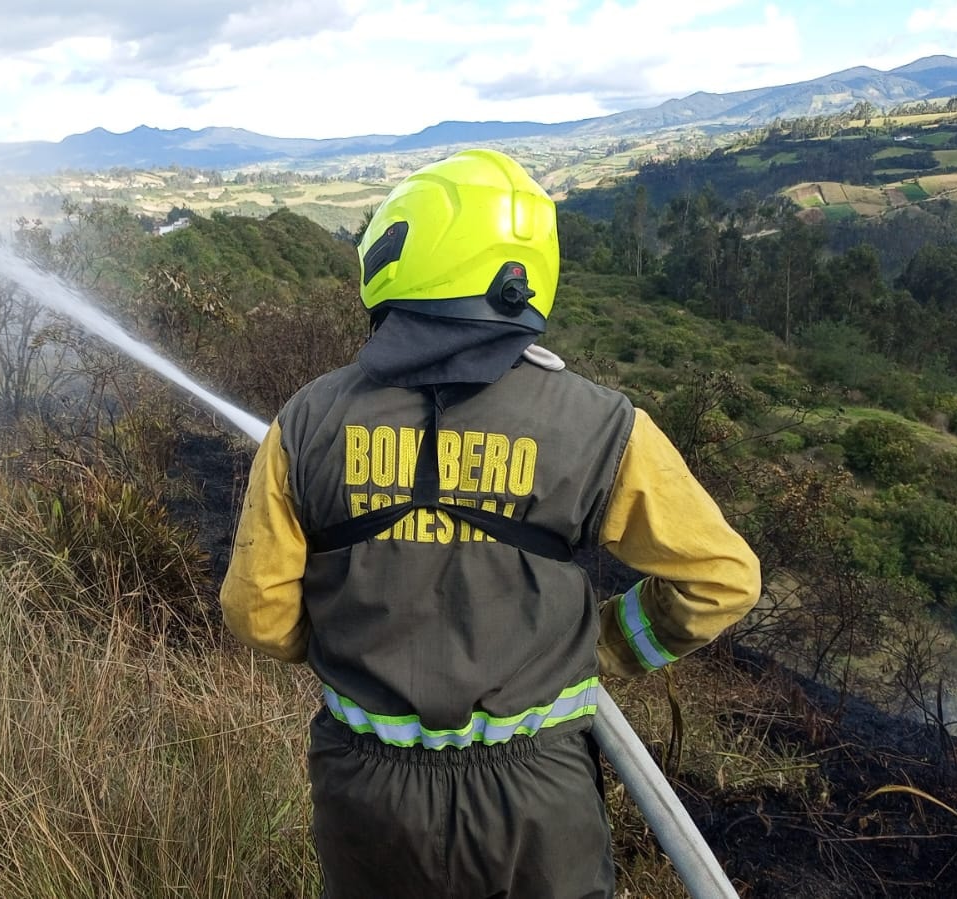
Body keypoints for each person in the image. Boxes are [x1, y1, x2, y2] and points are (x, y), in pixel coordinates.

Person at [219, 148, 761, 899]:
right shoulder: (601, 424)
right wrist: (610, 642)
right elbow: (720, 580)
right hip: (536, 794)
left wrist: (353, 636)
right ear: (522, 277)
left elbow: (256, 613)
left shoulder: (305, 421)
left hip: (367, 793)